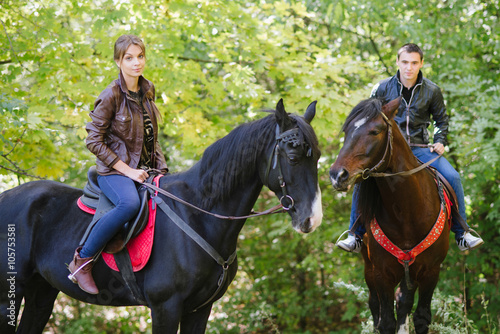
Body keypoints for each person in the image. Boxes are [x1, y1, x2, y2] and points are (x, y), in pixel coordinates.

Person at [337, 43, 484, 253]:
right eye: (405, 62)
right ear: (397, 62)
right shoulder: (381, 88)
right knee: (362, 179)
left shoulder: (432, 91)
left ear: (421, 63)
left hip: (421, 147)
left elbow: (441, 121)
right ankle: (355, 235)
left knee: (453, 177)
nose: (409, 67)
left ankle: (462, 233)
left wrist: (440, 139)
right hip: (388, 151)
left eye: (414, 63)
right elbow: (368, 121)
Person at [67, 35, 169, 294]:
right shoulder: (111, 94)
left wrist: (163, 173)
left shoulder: (147, 90)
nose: (137, 63)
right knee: (129, 204)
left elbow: (151, 138)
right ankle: (82, 261)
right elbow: (93, 141)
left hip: (145, 171)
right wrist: (128, 171)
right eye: (129, 58)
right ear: (118, 61)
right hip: (114, 172)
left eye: (140, 56)